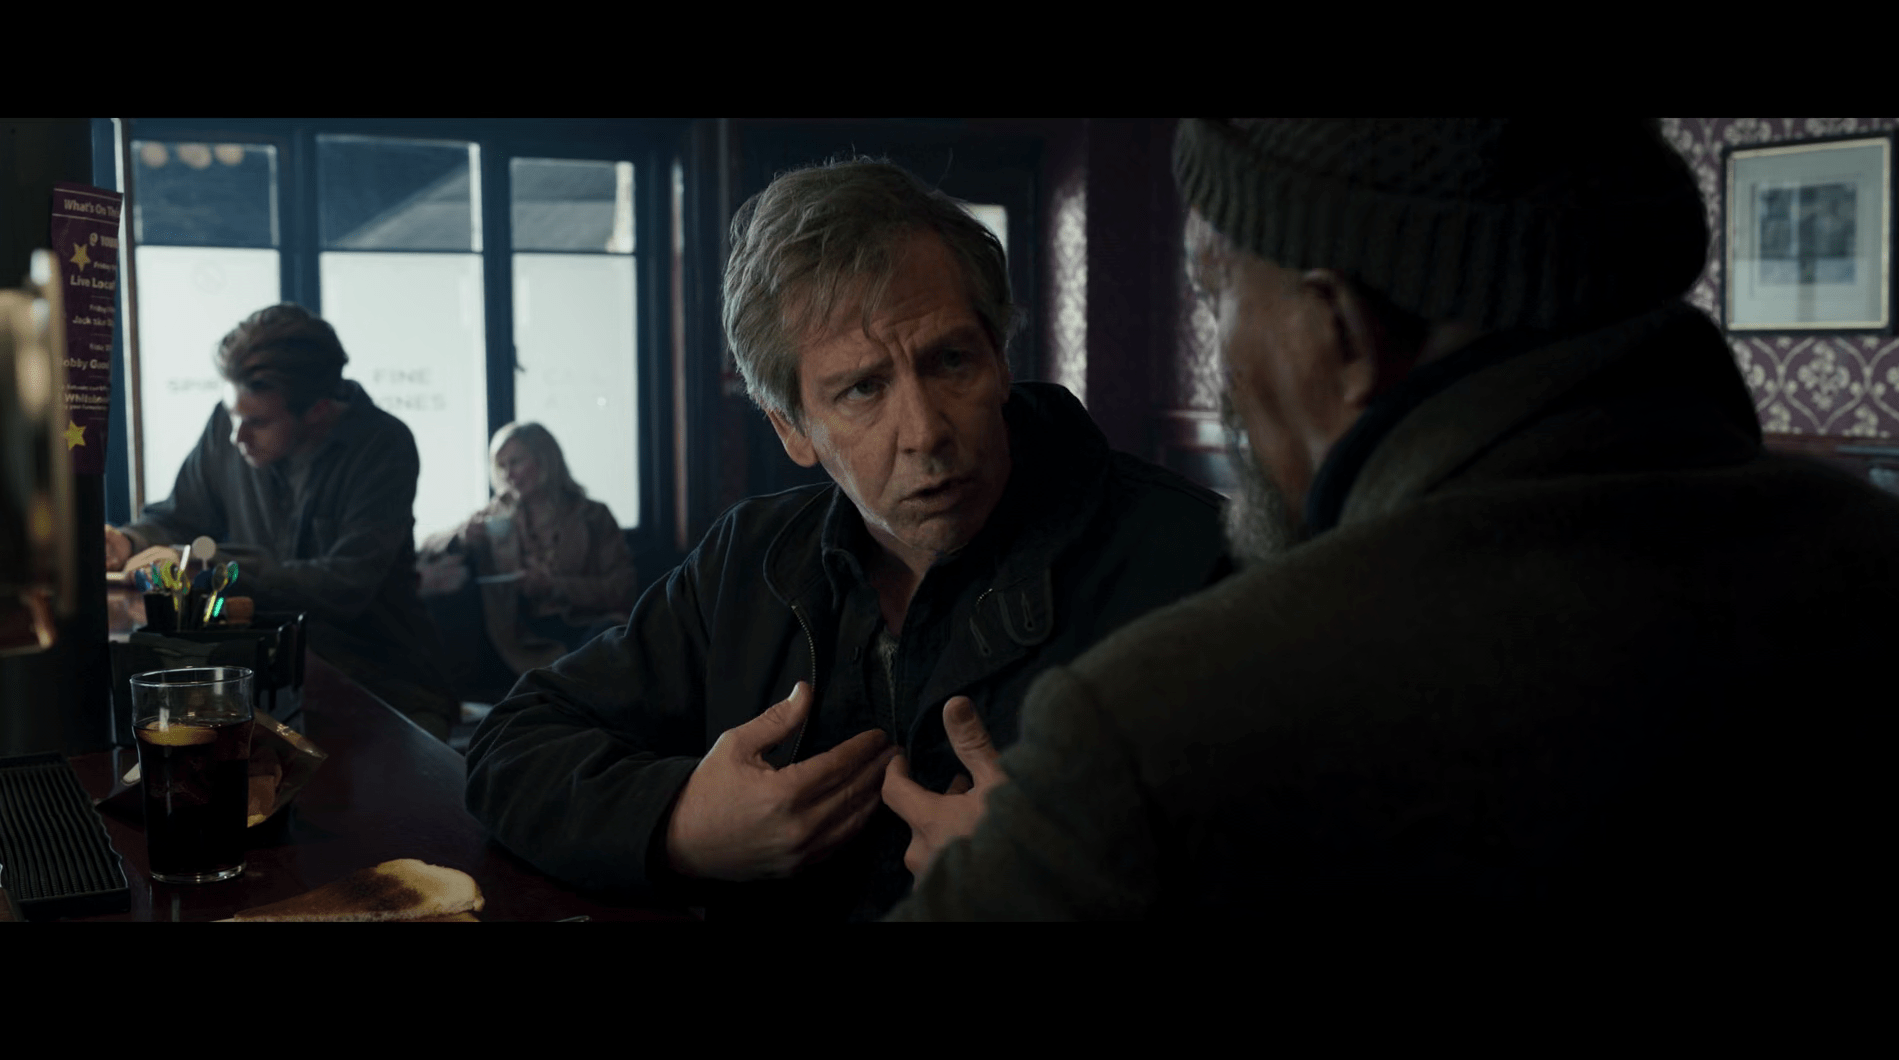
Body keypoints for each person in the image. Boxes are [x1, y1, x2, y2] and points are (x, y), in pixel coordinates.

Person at [884, 119, 1899, 920]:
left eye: (1216, 293)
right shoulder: (1891, 570)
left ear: (1339, 329)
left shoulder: (1149, 739)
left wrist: (1025, 867)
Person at [463, 158, 1235, 921]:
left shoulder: (1198, 560)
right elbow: (513, 743)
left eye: (951, 361)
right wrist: (679, 825)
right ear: (792, 428)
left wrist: (1069, 885)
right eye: (864, 388)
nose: (926, 432)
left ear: (1000, 359)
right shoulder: (748, 560)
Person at [106, 303, 459, 742]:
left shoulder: (383, 446)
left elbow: (345, 585)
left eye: (256, 422)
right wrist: (128, 541)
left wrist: (214, 568)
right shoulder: (235, 421)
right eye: (232, 414)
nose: (236, 436)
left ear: (318, 411)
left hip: (387, 684)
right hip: (269, 676)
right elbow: (181, 515)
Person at [417, 421, 638, 690]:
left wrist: (556, 586)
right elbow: (428, 547)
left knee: (609, 639)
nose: (508, 474)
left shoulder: (593, 516)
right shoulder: (496, 514)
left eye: (516, 462)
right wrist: (461, 536)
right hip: (517, 633)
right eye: (501, 466)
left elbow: (622, 588)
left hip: (584, 624)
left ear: (545, 460)